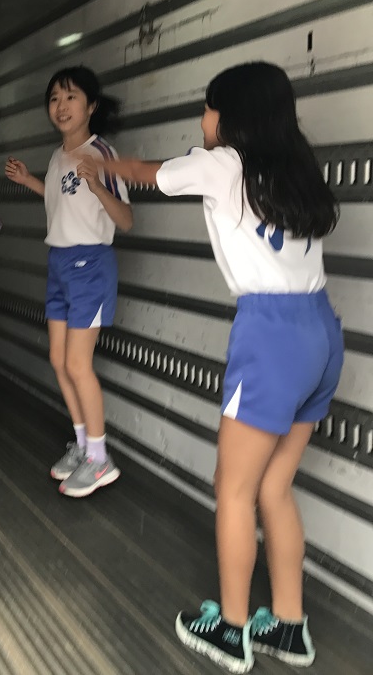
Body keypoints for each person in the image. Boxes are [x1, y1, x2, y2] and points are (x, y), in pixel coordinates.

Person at [100, 61, 342, 673]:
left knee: (232, 490)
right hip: (321, 331)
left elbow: (150, 174)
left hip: (270, 339)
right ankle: (289, 627)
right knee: (274, 488)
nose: (202, 119)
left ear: (230, 116)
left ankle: (232, 631)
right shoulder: (297, 167)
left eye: (208, 107)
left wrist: (99, 163)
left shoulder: (221, 163)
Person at [4, 66, 132, 498]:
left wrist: (98, 186)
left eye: (71, 97)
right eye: (55, 98)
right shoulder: (59, 155)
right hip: (59, 262)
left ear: (91, 106)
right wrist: (29, 181)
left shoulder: (101, 154)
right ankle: (82, 446)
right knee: (59, 361)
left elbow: (126, 220)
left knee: (78, 364)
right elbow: (61, 202)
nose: (61, 106)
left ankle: (100, 458)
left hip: (90, 265)